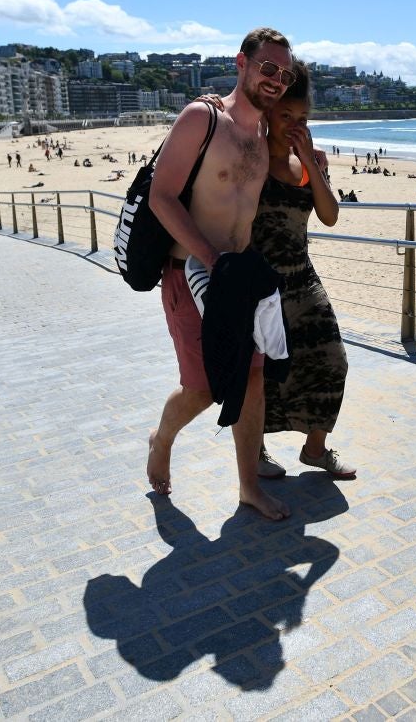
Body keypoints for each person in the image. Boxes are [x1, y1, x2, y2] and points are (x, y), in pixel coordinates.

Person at [145, 27, 293, 521]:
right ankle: (161, 438)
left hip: (238, 277)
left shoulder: (263, 132)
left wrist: (310, 153)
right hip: (191, 270)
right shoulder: (202, 118)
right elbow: (160, 196)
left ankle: (248, 487)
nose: (275, 79)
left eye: (284, 74)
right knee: (205, 388)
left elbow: (292, 174)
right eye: (267, 67)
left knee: (252, 379)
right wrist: (210, 258)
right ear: (242, 63)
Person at [250, 60, 356, 480]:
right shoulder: (250, 157)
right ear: (268, 115)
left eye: (303, 118)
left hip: (302, 278)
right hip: (258, 283)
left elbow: (329, 215)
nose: (294, 124)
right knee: (261, 372)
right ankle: (254, 450)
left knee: (332, 360)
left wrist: (311, 161)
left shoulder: (307, 162)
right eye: (286, 115)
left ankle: (315, 449)